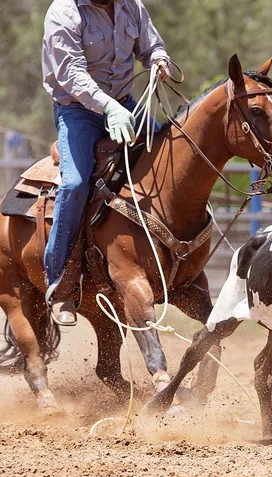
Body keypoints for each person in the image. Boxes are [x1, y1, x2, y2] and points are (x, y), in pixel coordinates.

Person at [42, 0, 171, 326]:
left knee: (172, 156)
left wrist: (158, 59)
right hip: (78, 112)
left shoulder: (131, 6)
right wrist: (108, 107)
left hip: (126, 104)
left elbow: (150, 44)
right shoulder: (64, 12)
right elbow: (70, 74)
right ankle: (60, 284)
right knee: (73, 184)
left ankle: (178, 252)